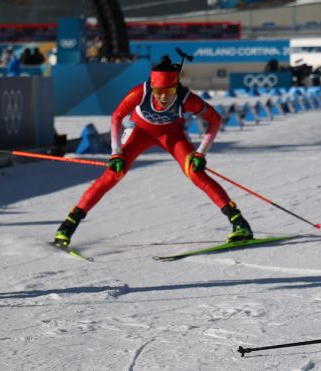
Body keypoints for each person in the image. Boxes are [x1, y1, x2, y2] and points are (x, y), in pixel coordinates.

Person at [52, 55, 252, 248]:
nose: (164, 97)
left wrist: (201, 153)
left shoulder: (187, 99)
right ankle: (68, 225)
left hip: (172, 134)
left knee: (195, 172)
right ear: (152, 87)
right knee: (114, 174)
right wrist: (116, 153)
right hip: (140, 132)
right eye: (159, 91)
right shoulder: (140, 92)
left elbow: (215, 120)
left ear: (176, 87)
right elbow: (116, 117)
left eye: (169, 91)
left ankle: (239, 223)